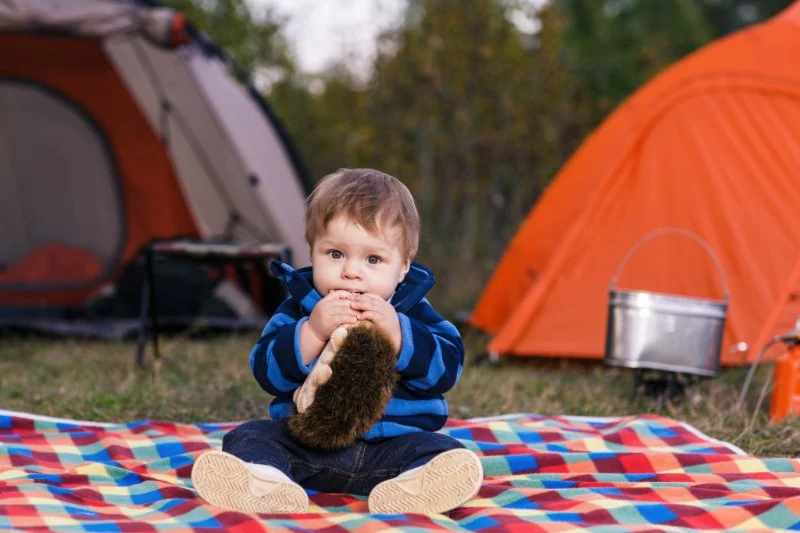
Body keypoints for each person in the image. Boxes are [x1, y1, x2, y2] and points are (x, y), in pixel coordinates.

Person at [191, 168, 482, 514]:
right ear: (312, 252)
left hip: (391, 448)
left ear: (403, 267)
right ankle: (267, 482)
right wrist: (311, 333)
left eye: (373, 259)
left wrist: (400, 335)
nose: (351, 272)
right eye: (335, 254)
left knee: (444, 449)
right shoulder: (300, 308)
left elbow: (448, 368)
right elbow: (265, 369)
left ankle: (412, 488)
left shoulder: (413, 314)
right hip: (306, 448)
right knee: (247, 436)